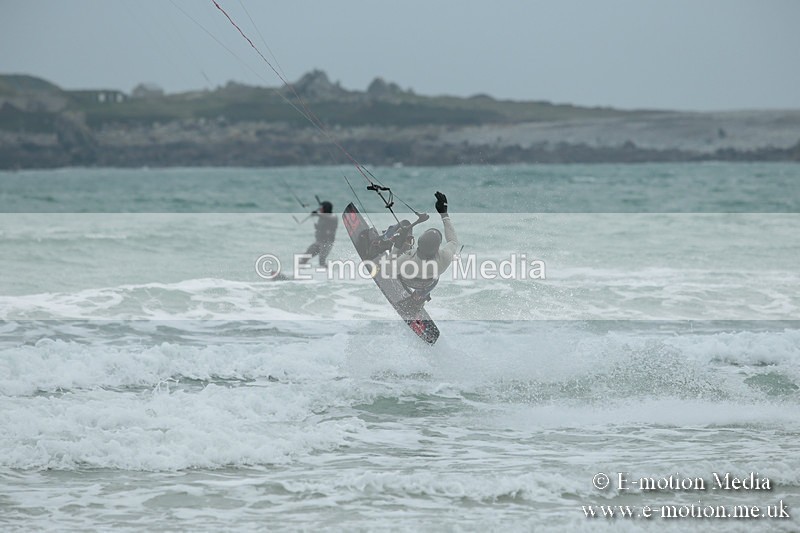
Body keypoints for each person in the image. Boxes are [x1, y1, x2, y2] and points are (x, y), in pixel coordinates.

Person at [387, 191, 458, 312]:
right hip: (427, 285)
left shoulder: (407, 259)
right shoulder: (445, 257)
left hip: (407, 280)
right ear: (437, 247)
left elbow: (388, 270)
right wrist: (444, 214)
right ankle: (418, 298)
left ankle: (382, 241)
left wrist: (397, 246)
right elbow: (453, 241)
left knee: (404, 224)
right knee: (435, 276)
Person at [300, 200, 337, 267]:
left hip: (327, 243)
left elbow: (328, 218)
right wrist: (317, 227)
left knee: (321, 261)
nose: (319, 209)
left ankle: (331, 273)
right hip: (318, 242)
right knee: (304, 258)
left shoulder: (333, 216)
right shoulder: (321, 217)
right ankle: (298, 274)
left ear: (326, 208)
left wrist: (317, 214)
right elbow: (321, 226)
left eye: (321, 207)